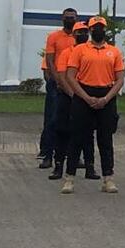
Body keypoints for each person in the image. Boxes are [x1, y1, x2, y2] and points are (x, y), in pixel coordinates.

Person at [61, 16, 125, 194]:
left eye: (101, 27)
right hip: (84, 94)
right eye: (95, 27)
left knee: (106, 139)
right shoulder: (80, 50)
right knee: (77, 137)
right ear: (90, 30)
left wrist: (106, 98)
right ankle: (69, 178)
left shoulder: (114, 51)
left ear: (105, 29)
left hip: (106, 94)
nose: (98, 30)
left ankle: (108, 179)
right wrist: (85, 97)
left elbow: (120, 79)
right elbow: (70, 76)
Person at [49, 21, 96, 181]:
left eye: (85, 32)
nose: (83, 35)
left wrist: (85, 96)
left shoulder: (91, 52)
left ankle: (90, 167)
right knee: (62, 131)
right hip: (68, 97)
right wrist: (73, 95)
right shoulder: (66, 53)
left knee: (87, 133)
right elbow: (62, 77)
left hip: (85, 98)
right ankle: (58, 166)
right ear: (74, 35)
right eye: (79, 32)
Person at [39, 7, 77, 170]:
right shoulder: (54, 37)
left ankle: (73, 155)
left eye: (72, 17)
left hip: (74, 85)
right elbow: (50, 61)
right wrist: (57, 81)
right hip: (56, 84)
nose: (69, 20)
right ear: (62, 19)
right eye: (67, 17)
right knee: (52, 120)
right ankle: (48, 155)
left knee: (74, 121)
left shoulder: (79, 38)